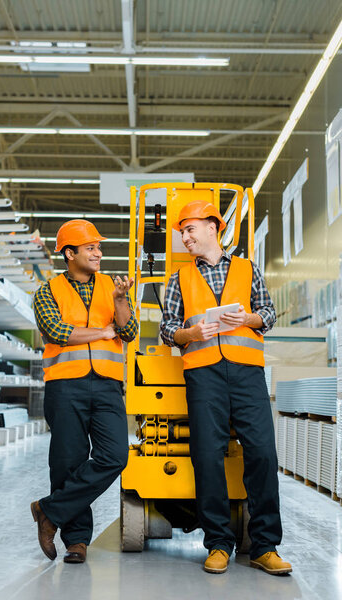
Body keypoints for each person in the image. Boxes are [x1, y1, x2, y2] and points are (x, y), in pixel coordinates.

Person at [160, 199, 292, 576]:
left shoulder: (248, 269)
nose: (184, 237)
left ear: (212, 228)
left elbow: (267, 314)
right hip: (203, 376)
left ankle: (264, 547)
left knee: (263, 453)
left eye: (190, 229)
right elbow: (167, 329)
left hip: (248, 374)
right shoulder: (179, 279)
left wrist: (247, 317)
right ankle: (218, 543)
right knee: (206, 456)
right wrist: (191, 332)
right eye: (181, 232)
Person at [31, 219, 137, 564]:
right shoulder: (48, 291)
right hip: (65, 385)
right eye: (91, 247)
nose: (98, 253)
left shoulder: (112, 286)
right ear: (69, 253)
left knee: (115, 456)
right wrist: (103, 333)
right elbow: (56, 331)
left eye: (99, 247)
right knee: (68, 462)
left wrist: (121, 303)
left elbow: (130, 330)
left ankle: (48, 511)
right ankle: (77, 541)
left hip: (107, 385)